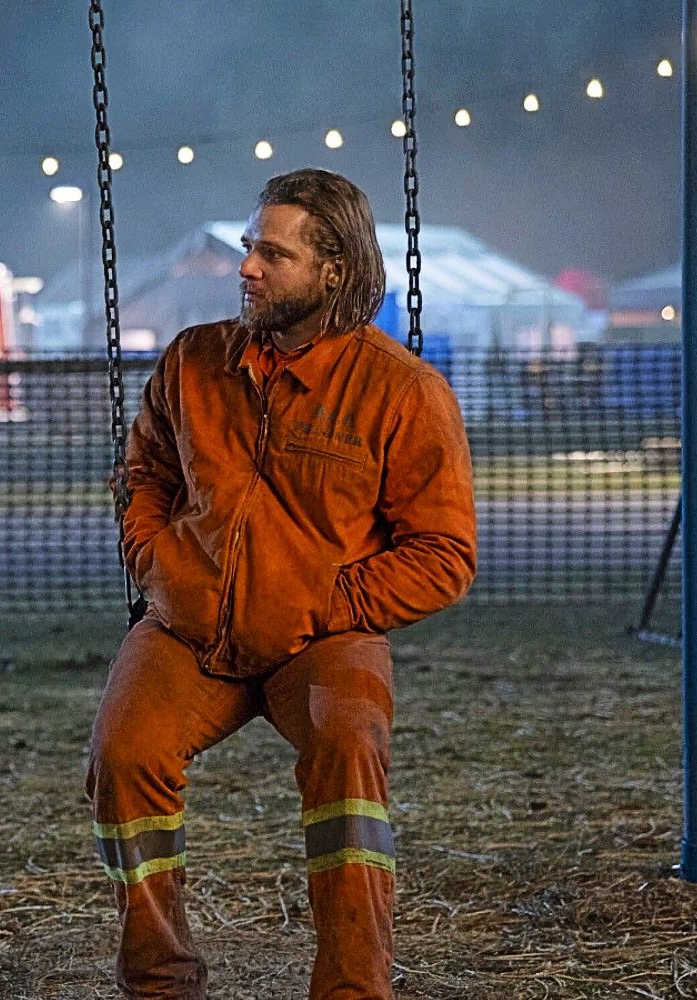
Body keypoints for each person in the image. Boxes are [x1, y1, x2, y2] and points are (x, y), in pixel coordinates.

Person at [88, 168, 477, 1000]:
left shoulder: (403, 393)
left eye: (273, 252)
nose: (248, 268)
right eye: (248, 248)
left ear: (332, 269)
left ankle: (350, 990)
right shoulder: (195, 362)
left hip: (324, 634)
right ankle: (159, 981)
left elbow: (444, 553)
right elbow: (143, 472)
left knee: (349, 750)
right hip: (188, 625)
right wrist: (153, 557)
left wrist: (328, 603)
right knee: (124, 757)